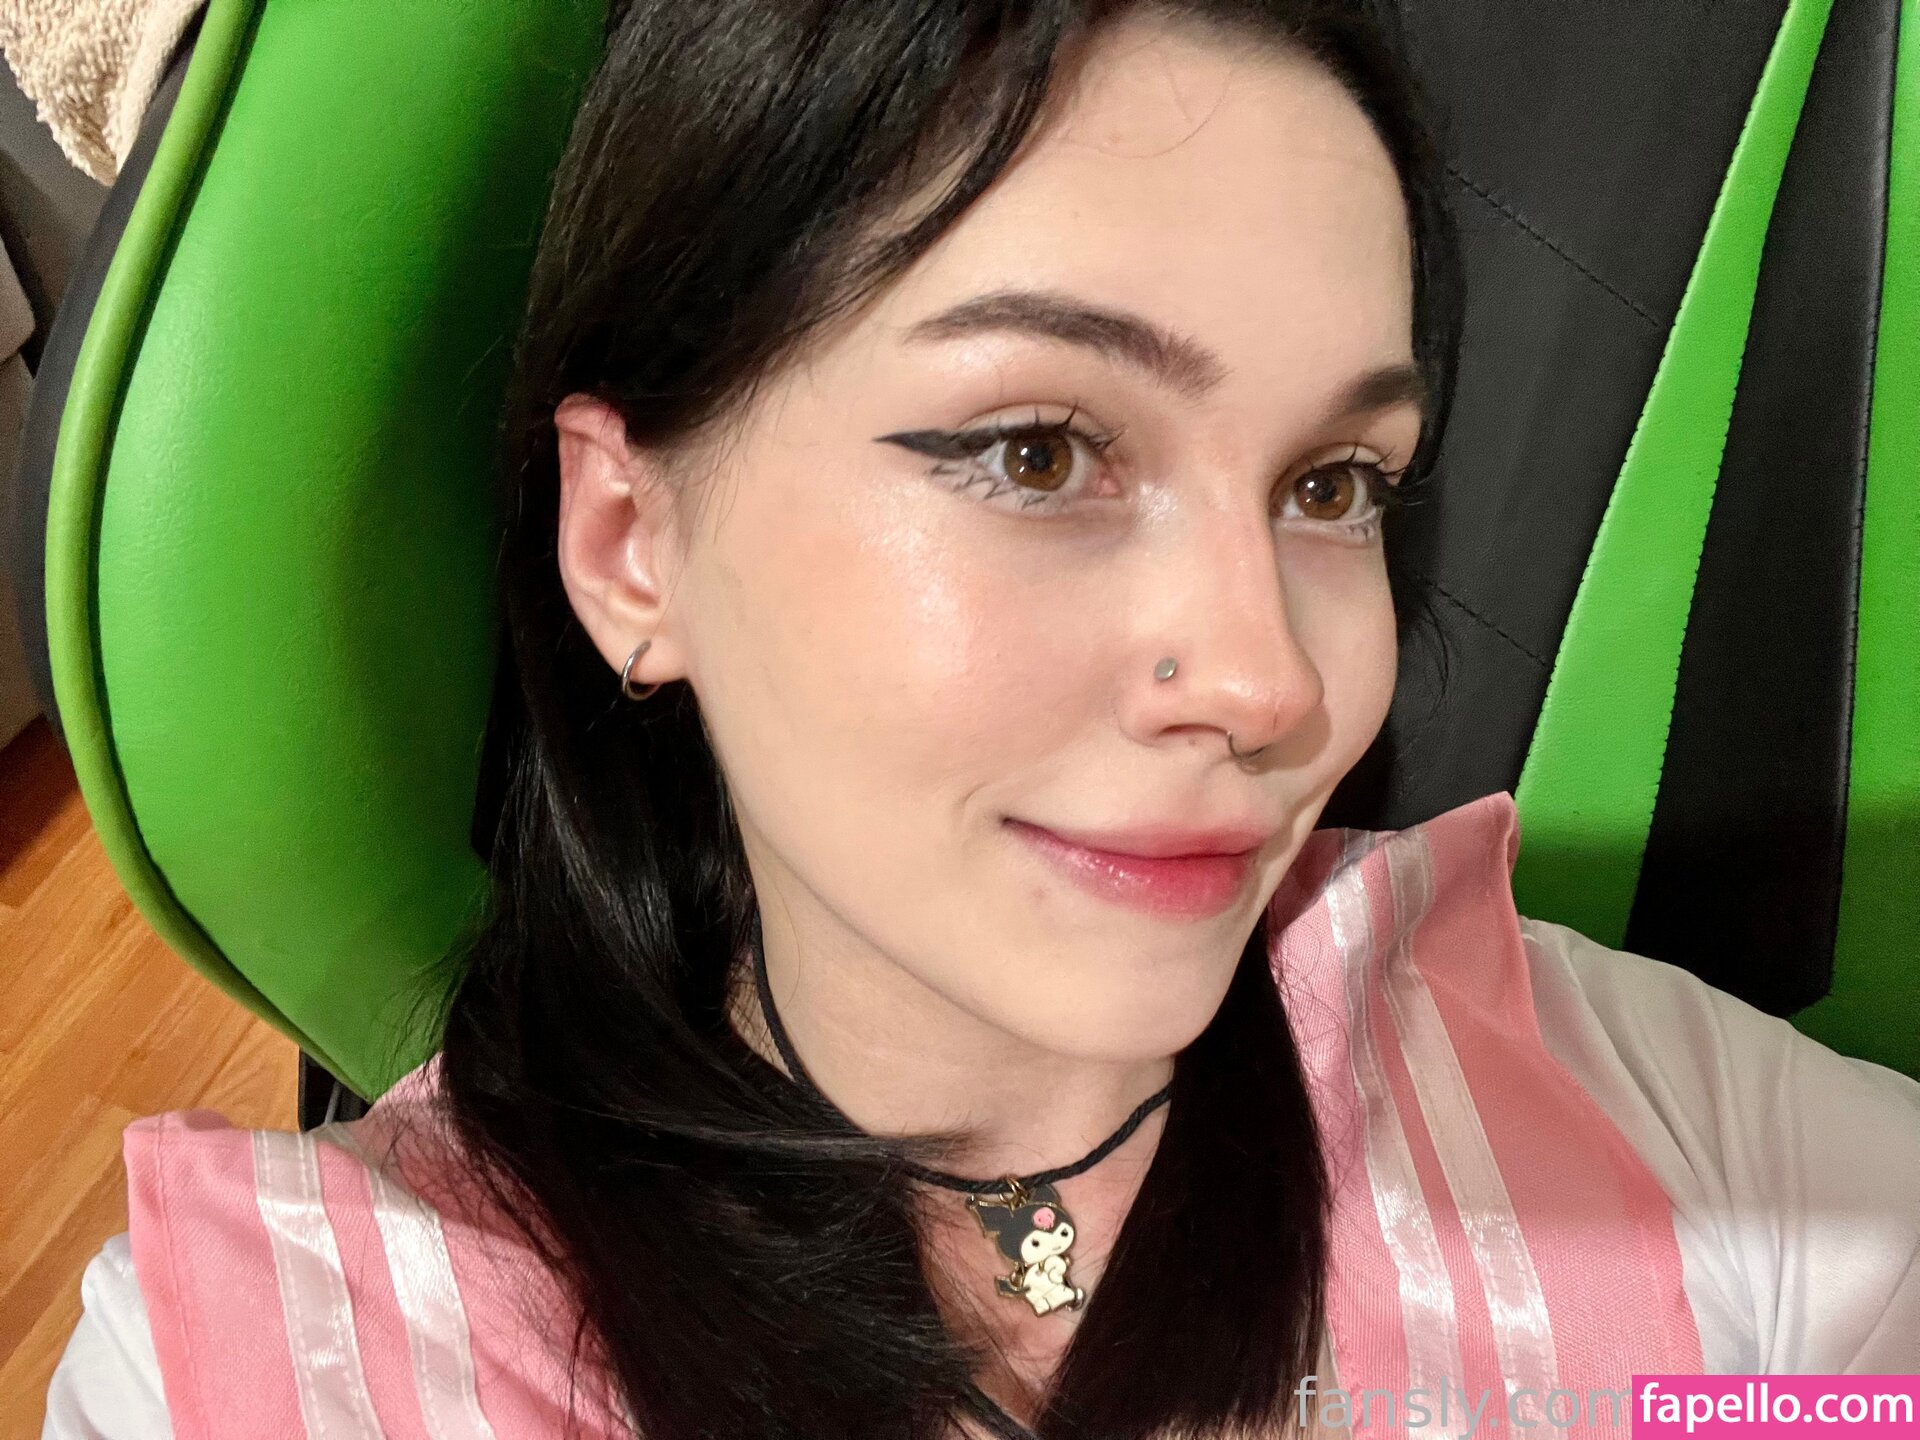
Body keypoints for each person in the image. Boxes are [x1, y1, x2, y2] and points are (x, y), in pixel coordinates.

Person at [41, 1, 1920, 1436]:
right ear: (630, 544)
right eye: (1039, 451)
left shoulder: (1595, 1091)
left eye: (1333, 483)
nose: (1272, 681)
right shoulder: (298, 1359)